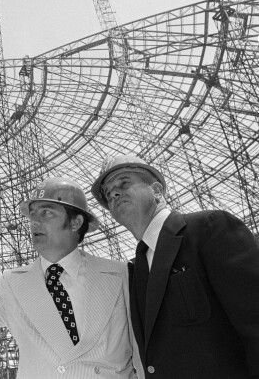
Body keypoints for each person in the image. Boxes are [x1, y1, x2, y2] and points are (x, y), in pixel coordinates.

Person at [0, 177, 138, 378]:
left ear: (76, 222)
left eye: (47, 212)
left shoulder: (122, 275)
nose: (35, 221)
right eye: (32, 214)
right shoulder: (11, 285)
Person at [91, 154, 259, 378]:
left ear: (157, 190)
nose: (114, 194)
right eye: (109, 194)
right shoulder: (135, 269)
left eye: (124, 183)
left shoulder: (208, 228)